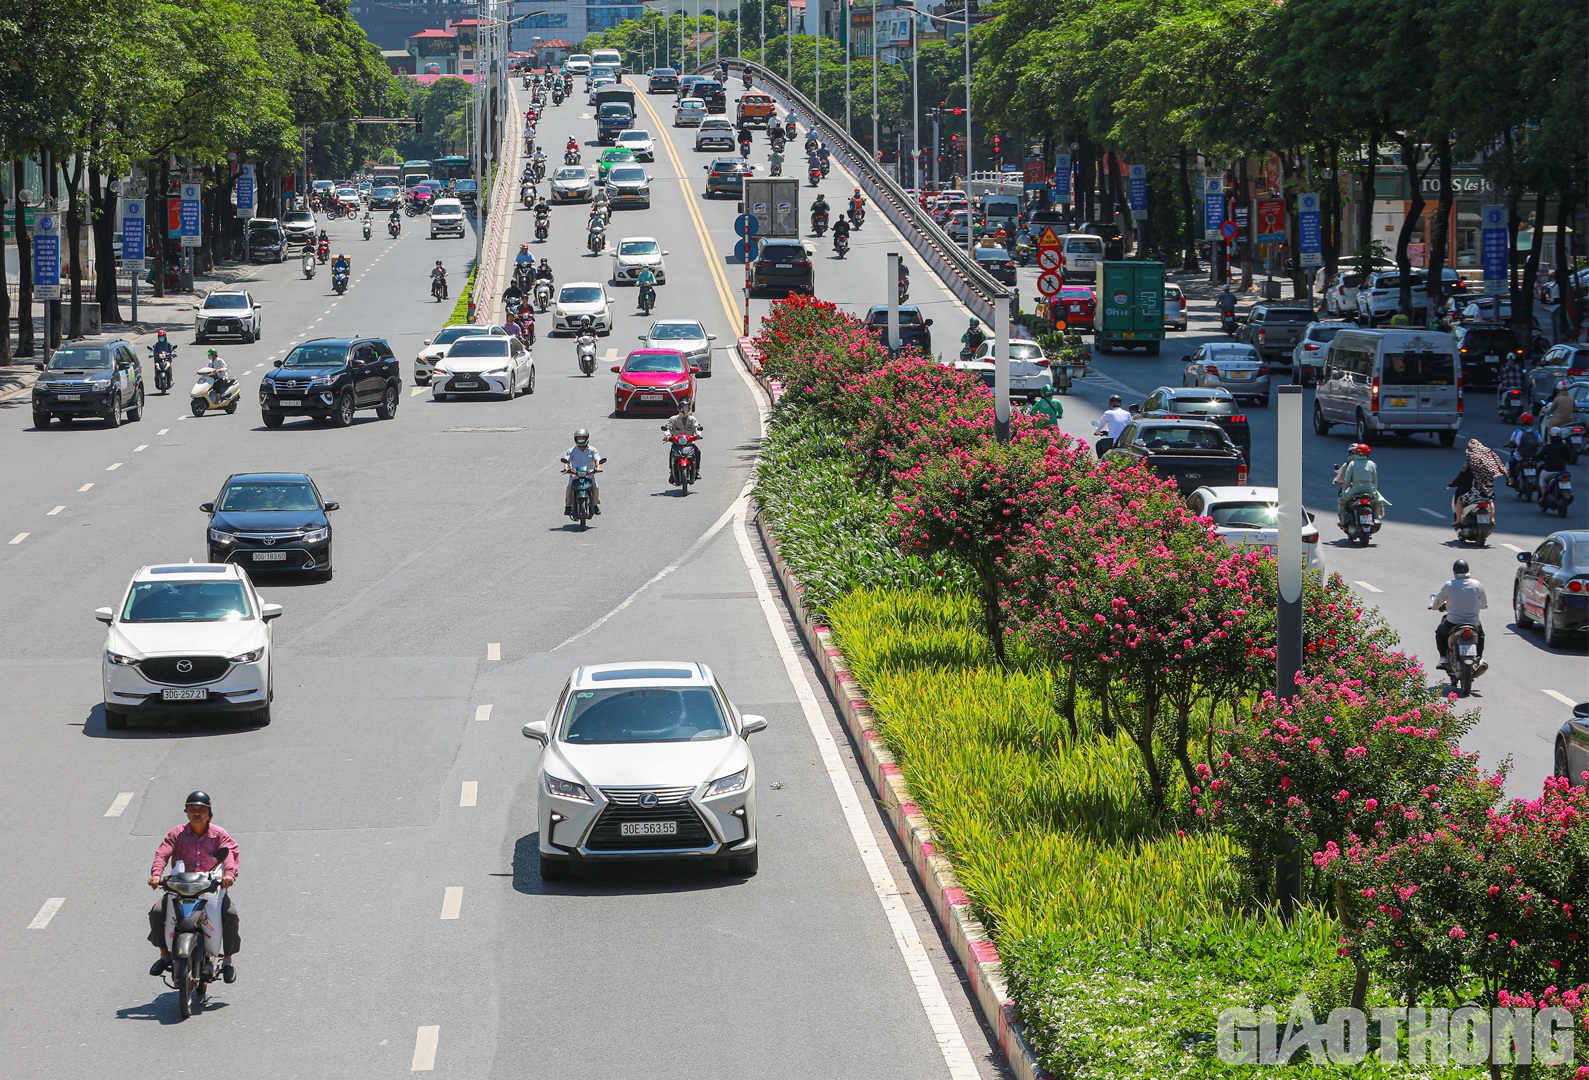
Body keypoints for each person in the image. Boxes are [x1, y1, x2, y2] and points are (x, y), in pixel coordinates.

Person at [147, 791, 239, 983]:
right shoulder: (176, 834)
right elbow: (162, 853)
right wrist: (156, 874)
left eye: (201, 810)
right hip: (180, 889)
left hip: (210, 889)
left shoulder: (219, 835)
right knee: (156, 913)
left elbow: (229, 854)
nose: (197, 813)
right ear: (186, 812)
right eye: (192, 809)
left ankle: (228, 961)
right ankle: (164, 955)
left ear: (209, 814)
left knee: (230, 916)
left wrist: (229, 875)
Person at [1432, 559, 1487, 673]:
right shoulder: (1477, 584)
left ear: (1454, 571)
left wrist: (1434, 606)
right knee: (1480, 635)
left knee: (1440, 633)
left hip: (1453, 622)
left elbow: (1438, 601)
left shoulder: (1449, 585)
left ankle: (1443, 658)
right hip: (1473, 623)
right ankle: (1479, 659)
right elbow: (1483, 603)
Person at [1331, 443, 1389, 517]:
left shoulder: (1351, 464)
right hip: (1369, 489)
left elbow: (1345, 478)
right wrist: (1374, 489)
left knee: (1341, 501)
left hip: (1355, 488)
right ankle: (1377, 517)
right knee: (1379, 500)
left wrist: (1348, 485)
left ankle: (1342, 521)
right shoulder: (1371, 464)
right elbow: (1375, 479)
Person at [562, 428, 602, 516]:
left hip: (589, 474)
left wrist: (598, 467)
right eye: (579, 438)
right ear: (575, 439)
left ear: (587, 438)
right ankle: (568, 506)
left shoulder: (593, 450)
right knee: (569, 488)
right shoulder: (571, 450)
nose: (581, 440)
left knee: (596, 488)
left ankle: (595, 505)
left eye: (582, 438)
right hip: (575, 475)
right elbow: (566, 461)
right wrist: (566, 468)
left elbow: (597, 460)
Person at [663, 398, 704, 474]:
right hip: (677, 444)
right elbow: (668, 428)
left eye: (688, 407)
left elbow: (696, 427)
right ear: (681, 409)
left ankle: (697, 470)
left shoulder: (692, 419)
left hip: (689, 444)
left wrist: (698, 434)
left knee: (697, 452)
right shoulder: (673, 419)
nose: (688, 409)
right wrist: (667, 436)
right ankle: (672, 472)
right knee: (672, 454)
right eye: (686, 407)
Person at [1504, 413, 1542, 486]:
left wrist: (1507, 444)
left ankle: (1511, 480)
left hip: (1520, 456)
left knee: (1510, 464)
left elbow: (1511, 441)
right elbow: (1540, 442)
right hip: (1533, 456)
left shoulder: (1517, 432)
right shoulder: (1535, 432)